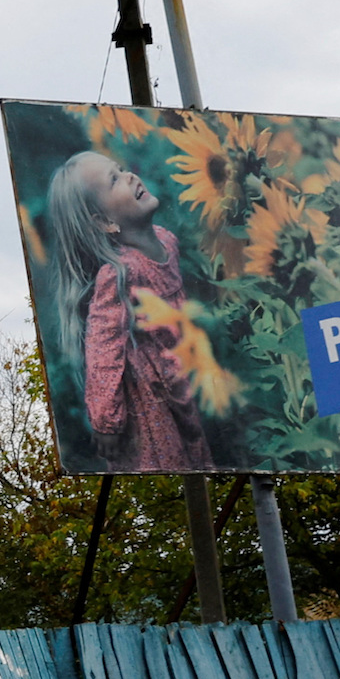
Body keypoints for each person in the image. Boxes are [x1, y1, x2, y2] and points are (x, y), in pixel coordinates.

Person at [44, 149, 210, 471]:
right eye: (114, 180)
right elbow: (103, 348)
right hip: (151, 397)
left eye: (121, 169)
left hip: (184, 377)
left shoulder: (168, 241)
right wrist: (106, 421)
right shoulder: (119, 274)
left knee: (199, 458)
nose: (129, 176)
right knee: (168, 465)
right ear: (105, 222)